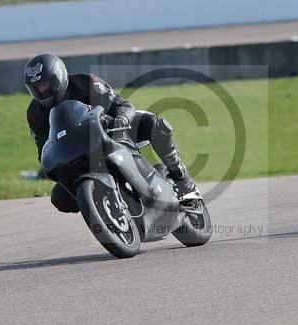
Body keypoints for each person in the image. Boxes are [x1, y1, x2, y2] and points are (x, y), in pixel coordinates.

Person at [24, 53, 197, 212]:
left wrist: (122, 117)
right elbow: (43, 148)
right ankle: (103, 207)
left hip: (112, 132)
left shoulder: (86, 83)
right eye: (36, 88)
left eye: (44, 84)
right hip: (78, 154)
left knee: (155, 125)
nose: (41, 91)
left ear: (58, 77)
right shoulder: (34, 112)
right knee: (60, 198)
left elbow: (122, 105)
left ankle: (183, 181)